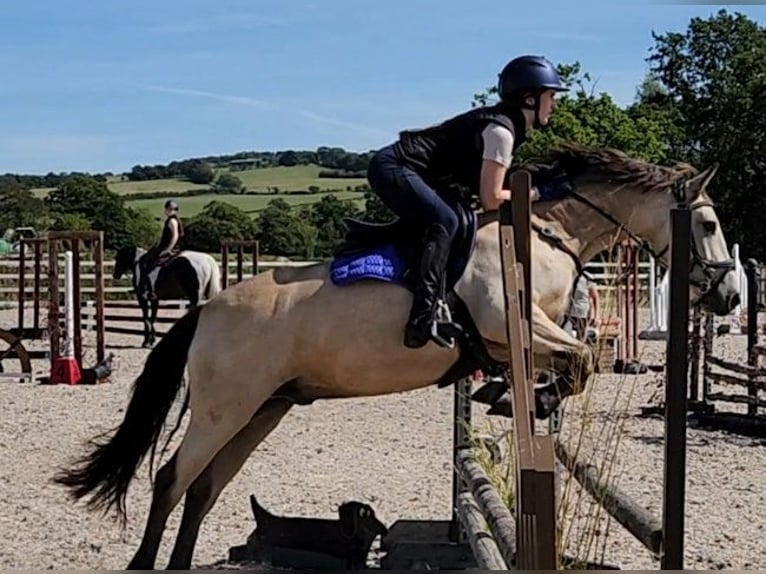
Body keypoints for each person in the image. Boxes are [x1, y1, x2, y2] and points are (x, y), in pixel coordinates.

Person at [366, 55, 572, 349]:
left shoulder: (509, 127)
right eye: (551, 96)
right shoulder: (501, 132)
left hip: (418, 171)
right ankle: (423, 315)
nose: (554, 104)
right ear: (529, 99)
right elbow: (491, 199)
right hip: (394, 167)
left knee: (461, 217)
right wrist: (541, 194)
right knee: (445, 220)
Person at [138, 199, 184, 300]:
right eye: (169, 209)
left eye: (171, 209)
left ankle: (147, 288)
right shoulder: (175, 219)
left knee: (145, 262)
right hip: (169, 247)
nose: (170, 211)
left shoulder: (172, 221)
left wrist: (168, 249)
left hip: (169, 248)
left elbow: (175, 236)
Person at [564, 274, 600, 343]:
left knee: (581, 338)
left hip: (582, 313)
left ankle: (579, 351)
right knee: (566, 334)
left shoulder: (587, 278)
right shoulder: (569, 275)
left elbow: (595, 297)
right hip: (568, 313)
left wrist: (596, 315)